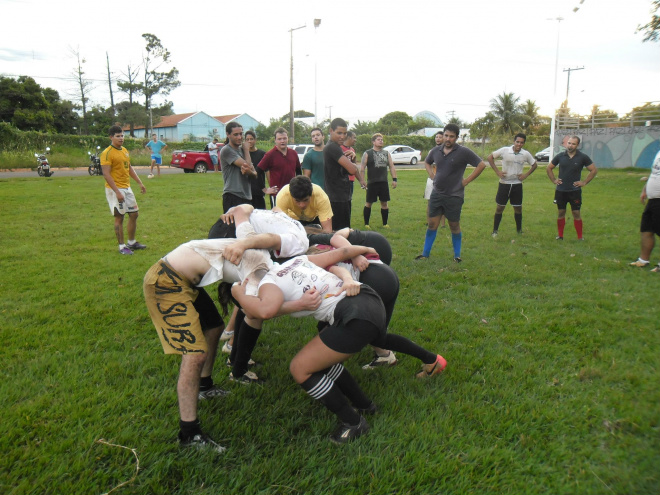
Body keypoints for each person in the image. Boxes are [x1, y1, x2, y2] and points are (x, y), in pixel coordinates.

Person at [231, 246, 446, 444]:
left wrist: (239, 294)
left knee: (300, 368)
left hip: (355, 315)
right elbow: (341, 252)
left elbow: (263, 311)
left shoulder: (269, 281)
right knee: (322, 357)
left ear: (249, 277)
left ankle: (353, 422)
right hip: (368, 297)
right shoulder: (298, 261)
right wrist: (365, 248)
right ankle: (365, 405)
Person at [143, 225, 282, 453]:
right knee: (195, 354)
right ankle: (189, 434)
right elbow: (257, 308)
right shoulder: (261, 264)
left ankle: (204, 387)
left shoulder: (261, 249)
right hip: (165, 281)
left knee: (214, 327)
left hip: (184, 280)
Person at [415, 123, 487, 262]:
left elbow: (481, 164)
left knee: (454, 225)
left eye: (451, 137)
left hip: (454, 196)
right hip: (437, 193)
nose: (448, 139)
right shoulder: (436, 151)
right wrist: (431, 175)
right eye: (446, 135)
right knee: (432, 224)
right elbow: (427, 162)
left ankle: (457, 256)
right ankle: (425, 254)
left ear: (457, 137)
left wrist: (466, 181)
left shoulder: (463, 152)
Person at [100, 125, 147, 255]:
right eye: (118, 136)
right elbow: (106, 174)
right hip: (115, 189)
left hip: (127, 187)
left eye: (122, 136)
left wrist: (139, 182)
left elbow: (129, 167)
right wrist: (117, 192)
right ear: (111, 137)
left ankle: (131, 242)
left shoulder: (124, 150)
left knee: (134, 214)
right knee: (119, 217)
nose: (121, 138)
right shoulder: (107, 153)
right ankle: (122, 247)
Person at [546, 135, 598, 240]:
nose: (570, 145)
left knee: (576, 213)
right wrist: (554, 180)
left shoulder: (582, 157)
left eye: (573, 144)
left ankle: (580, 237)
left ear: (577, 145)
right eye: (569, 143)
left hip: (575, 191)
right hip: (561, 190)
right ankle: (560, 236)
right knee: (561, 212)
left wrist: (584, 182)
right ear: (566, 143)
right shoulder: (560, 156)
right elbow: (549, 168)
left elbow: (593, 170)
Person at [487, 133, 537, 237]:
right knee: (500, 207)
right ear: (514, 141)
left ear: (524, 143)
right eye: (517, 142)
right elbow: (490, 158)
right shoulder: (505, 150)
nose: (519, 144)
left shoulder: (525, 154)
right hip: (504, 183)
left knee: (518, 208)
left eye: (521, 142)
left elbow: (534, 165)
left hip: (517, 184)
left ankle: (519, 231)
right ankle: (495, 231)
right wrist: (497, 172)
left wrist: (525, 175)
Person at [324, 118, 367, 230]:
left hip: (341, 195)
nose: (342, 136)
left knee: (343, 229)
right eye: (339, 133)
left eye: (344, 133)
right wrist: (353, 161)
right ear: (331, 131)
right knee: (341, 231)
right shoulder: (332, 147)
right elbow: (352, 170)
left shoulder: (336, 147)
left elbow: (348, 170)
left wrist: (352, 161)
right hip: (336, 197)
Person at [630, 149, 660, 271]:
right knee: (646, 230)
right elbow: (654, 173)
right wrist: (645, 189)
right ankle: (643, 260)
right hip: (653, 200)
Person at [360, 133, 398, 229]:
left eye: (382, 139)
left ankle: (385, 224)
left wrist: (394, 179)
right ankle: (366, 224)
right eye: (378, 139)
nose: (381, 141)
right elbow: (362, 168)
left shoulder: (386, 153)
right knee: (369, 203)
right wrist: (362, 180)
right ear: (373, 142)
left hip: (383, 182)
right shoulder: (367, 153)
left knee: (384, 203)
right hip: (372, 182)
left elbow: (392, 166)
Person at [258, 127, 301, 207]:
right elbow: (258, 171)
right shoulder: (270, 155)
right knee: (277, 218)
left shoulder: (293, 153)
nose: (282, 141)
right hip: (277, 194)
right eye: (279, 139)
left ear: (288, 139)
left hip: (292, 193)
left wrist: (298, 187)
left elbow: (298, 171)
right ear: (275, 140)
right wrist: (265, 189)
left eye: (284, 138)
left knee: (291, 218)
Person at [220, 122, 257, 213]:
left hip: (246, 196)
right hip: (233, 195)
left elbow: (255, 174)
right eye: (236, 135)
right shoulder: (227, 150)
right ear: (228, 134)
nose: (240, 137)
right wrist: (247, 151)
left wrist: (250, 172)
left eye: (241, 134)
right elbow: (247, 166)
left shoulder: (241, 150)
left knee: (246, 226)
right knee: (233, 227)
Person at [244, 130, 277, 210]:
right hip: (245, 190)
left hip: (258, 190)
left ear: (255, 140)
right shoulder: (243, 154)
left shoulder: (262, 154)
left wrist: (269, 188)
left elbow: (267, 172)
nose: (249, 141)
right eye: (247, 139)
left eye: (251, 139)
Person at [424, 131, 446, 228]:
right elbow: (427, 163)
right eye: (436, 137)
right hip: (432, 180)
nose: (438, 139)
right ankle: (429, 222)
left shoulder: (447, 151)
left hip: (444, 180)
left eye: (440, 137)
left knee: (443, 202)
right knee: (430, 201)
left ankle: (443, 224)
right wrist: (432, 175)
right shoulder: (432, 151)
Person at [342, 131, 358, 197]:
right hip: (342, 180)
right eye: (354, 138)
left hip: (351, 180)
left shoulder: (352, 150)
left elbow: (354, 165)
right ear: (349, 137)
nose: (355, 140)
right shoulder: (340, 148)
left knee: (349, 199)